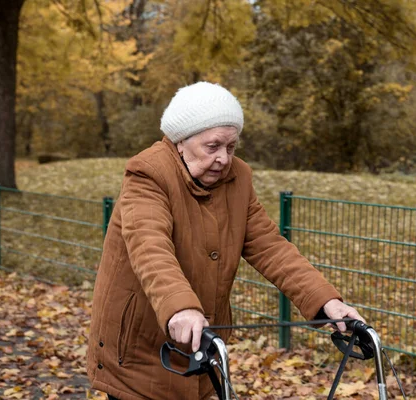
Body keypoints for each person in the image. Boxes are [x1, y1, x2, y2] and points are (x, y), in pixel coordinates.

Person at [87, 82, 365, 400]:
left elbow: (269, 245)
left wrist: (327, 302)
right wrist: (181, 308)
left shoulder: (237, 178)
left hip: (201, 347)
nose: (223, 159)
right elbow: (149, 246)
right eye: (213, 146)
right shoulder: (148, 174)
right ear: (181, 141)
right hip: (140, 352)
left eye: (231, 147)